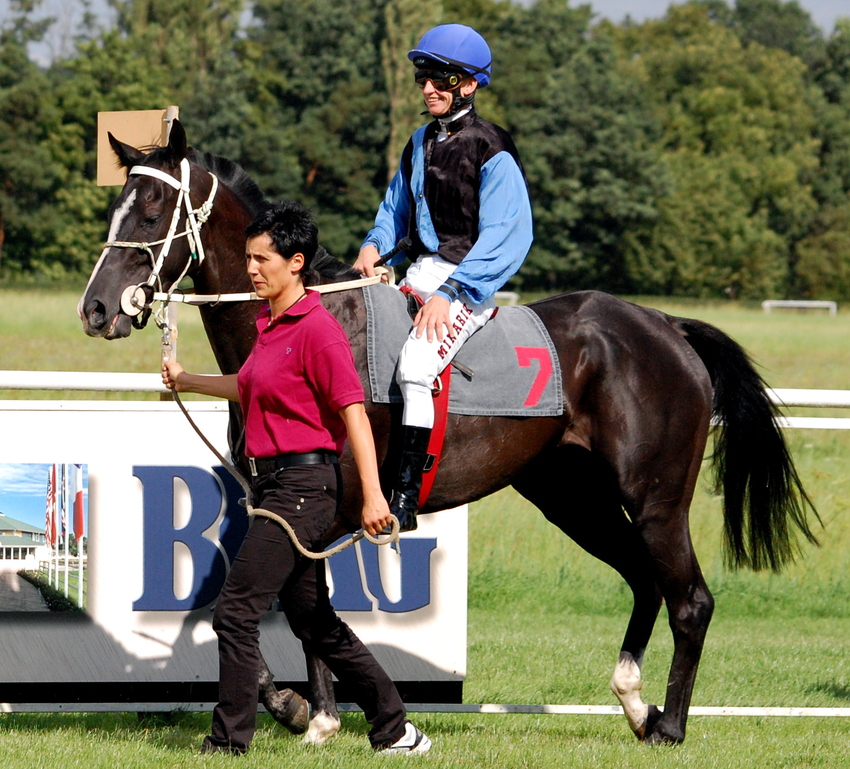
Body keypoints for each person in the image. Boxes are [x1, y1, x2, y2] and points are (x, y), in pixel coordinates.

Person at [162, 201, 431, 756]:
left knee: (236, 610)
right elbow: (249, 386)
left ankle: (229, 742)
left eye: (262, 260)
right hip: (273, 488)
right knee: (316, 622)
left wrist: (375, 496)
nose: (251, 269)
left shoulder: (319, 330)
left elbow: (353, 413)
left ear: (297, 262)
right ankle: (396, 728)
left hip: (306, 490)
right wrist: (187, 379)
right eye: (248, 258)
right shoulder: (268, 325)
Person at [353, 23, 533, 533]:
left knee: (414, 368)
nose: (429, 86)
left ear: (469, 84)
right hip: (418, 270)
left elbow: (509, 235)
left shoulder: (492, 147)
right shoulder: (419, 141)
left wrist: (452, 292)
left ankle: (405, 496)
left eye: (441, 76)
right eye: (423, 76)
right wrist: (373, 245)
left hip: (467, 281)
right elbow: (395, 209)